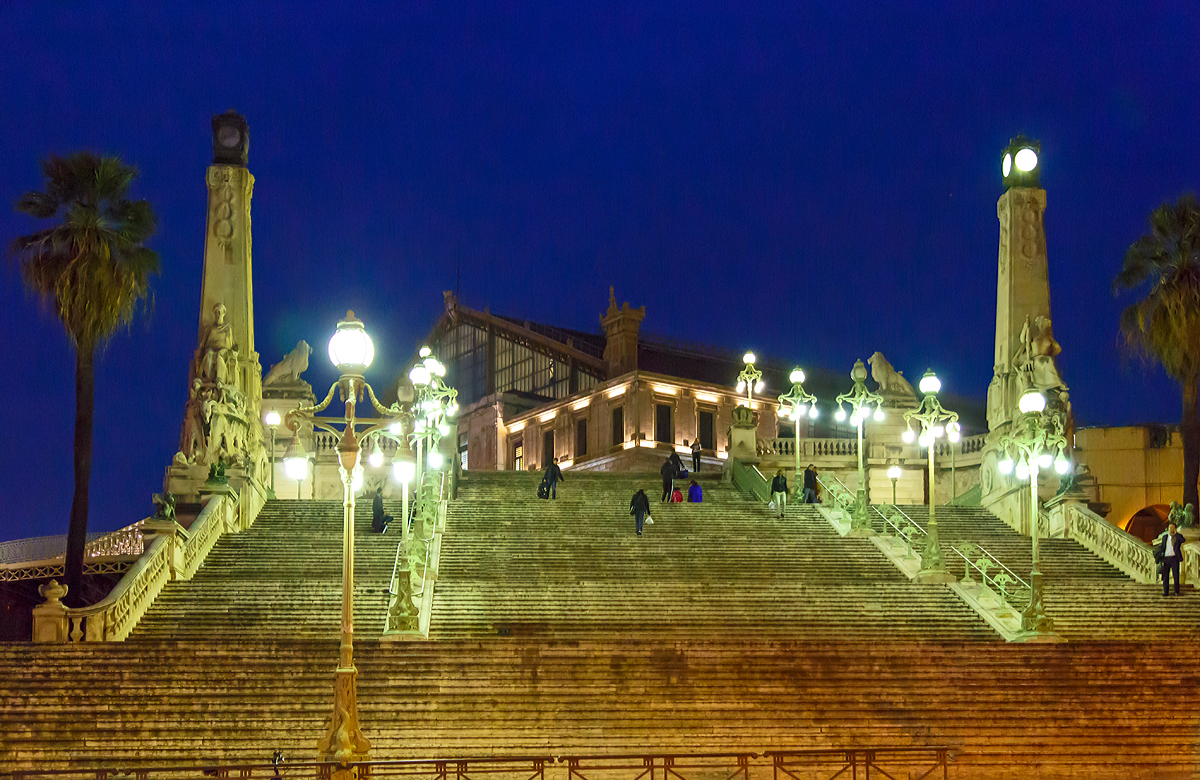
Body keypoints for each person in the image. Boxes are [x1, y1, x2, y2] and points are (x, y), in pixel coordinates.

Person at [1156, 521, 1187, 596]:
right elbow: (1162, 547)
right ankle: (1165, 592)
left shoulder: (1177, 537)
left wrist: (1175, 534)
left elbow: (1183, 540)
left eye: (1172, 528)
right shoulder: (1165, 537)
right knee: (1165, 576)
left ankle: (1176, 591)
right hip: (1166, 559)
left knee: (1176, 575)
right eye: (1169, 528)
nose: (1170, 529)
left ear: (1175, 529)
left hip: (1174, 558)